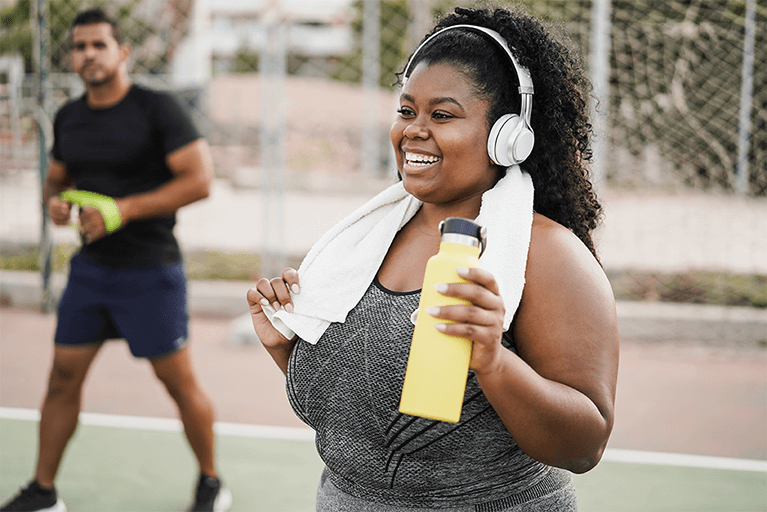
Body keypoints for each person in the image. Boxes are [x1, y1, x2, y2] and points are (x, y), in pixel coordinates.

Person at [248, 5, 620, 511]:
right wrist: (286, 351)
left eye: (441, 115)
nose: (413, 130)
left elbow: (585, 444)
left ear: (507, 136)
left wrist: (493, 362)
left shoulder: (548, 254)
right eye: (406, 111)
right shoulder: (368, 242)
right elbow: (364, 424)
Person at [1, 8, 231, 512]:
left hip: (151, 270)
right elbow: (56, 184)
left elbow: (199, 181)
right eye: (79, 47)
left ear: (122, 52)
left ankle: (212, 481)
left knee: (177, 383)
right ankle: (43, 491)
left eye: (98, 45)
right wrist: (57, 205)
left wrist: (122, 211)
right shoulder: (69, 117)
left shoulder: (158, 109)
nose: (87, 55)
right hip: (91, 272)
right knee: (62, 376)